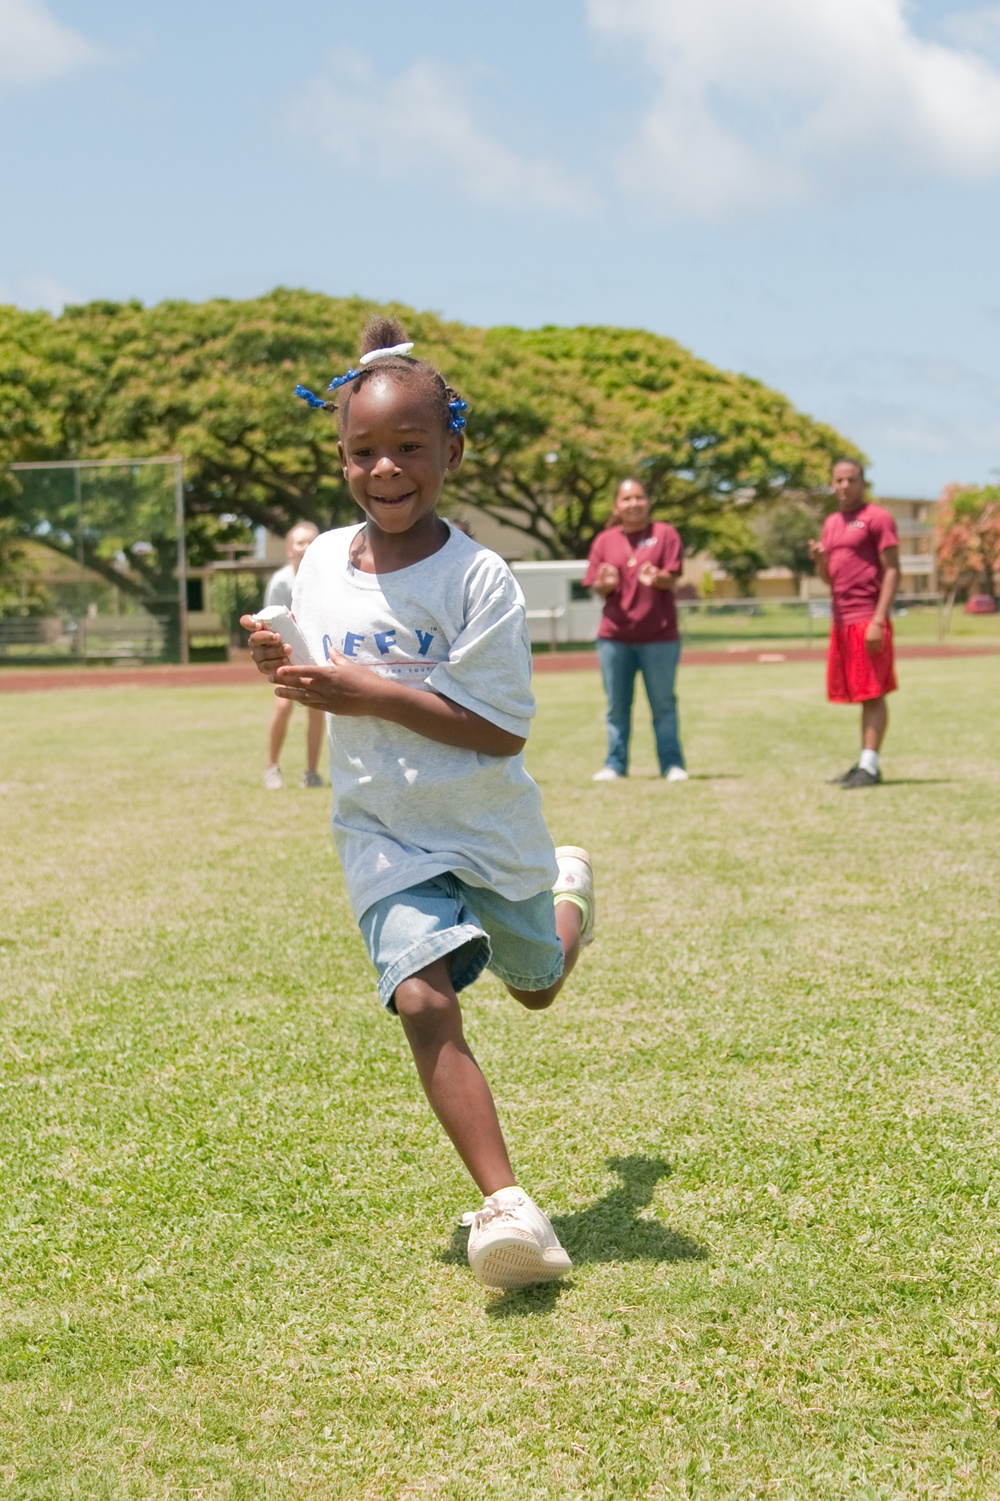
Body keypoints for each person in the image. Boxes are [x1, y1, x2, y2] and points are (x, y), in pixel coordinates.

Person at [241, 316, 596, 1291]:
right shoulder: (318, 565)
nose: (385, 468)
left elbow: (498, 730)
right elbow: (317, 666)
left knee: (535, 985)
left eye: (409, 448)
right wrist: (282, 663)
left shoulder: (479, 578)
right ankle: (510, 1205)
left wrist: (364, 694)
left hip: (484, 824)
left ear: (453, 449)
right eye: (362, 452)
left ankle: (568, 899)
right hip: (379, 827)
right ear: (340, 456)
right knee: (422, 998)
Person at [582, 479, 687, 782]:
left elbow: (673, 577)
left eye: (639, 497)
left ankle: (672, 764)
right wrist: (607, 583)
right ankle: (615, 765)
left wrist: (658, 578)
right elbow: (597, 585)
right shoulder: (604, 541)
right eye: (627, 499)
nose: (634, 504)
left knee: (664, 704)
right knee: (616, 707)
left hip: (660, 637)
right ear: (617, 505)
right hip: (614, 638)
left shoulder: (665, 534)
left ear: (648, 502)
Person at [808, 458, 900, 789]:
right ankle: (864, 761)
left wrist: (878, 619)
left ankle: (870, 766)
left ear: (863, 483)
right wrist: (821, 562)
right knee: (860, 694)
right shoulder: (832, 522)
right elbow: (829, 578)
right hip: (842, 619)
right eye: (838, 480)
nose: (844, 486)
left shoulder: (877, 519)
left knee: (873, 693)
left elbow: (892, 570)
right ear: (831, 484)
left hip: (867, 617)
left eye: (851, 480)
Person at [261, 521, 326, 790]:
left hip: (317, 655)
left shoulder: (326, 579)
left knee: (316, 711)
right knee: (282, 705)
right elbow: (268, 620)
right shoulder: (281, 581)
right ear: (290, 549)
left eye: (311, 541)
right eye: (300, 542)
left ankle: (311, 772)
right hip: (286, 654)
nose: (306, 547)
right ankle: (272, 767)